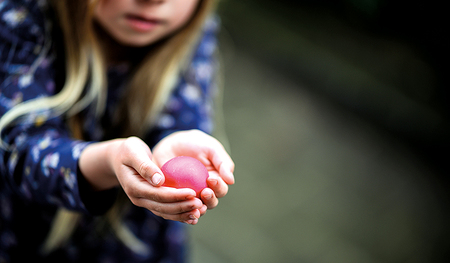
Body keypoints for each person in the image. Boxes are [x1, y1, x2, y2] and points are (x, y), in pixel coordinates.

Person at [0, 0, 235, 262]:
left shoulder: (194, 31)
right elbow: (18, 150)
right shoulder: (25, 14)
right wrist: (108, 160)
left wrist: (177, 145)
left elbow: (184, 115)